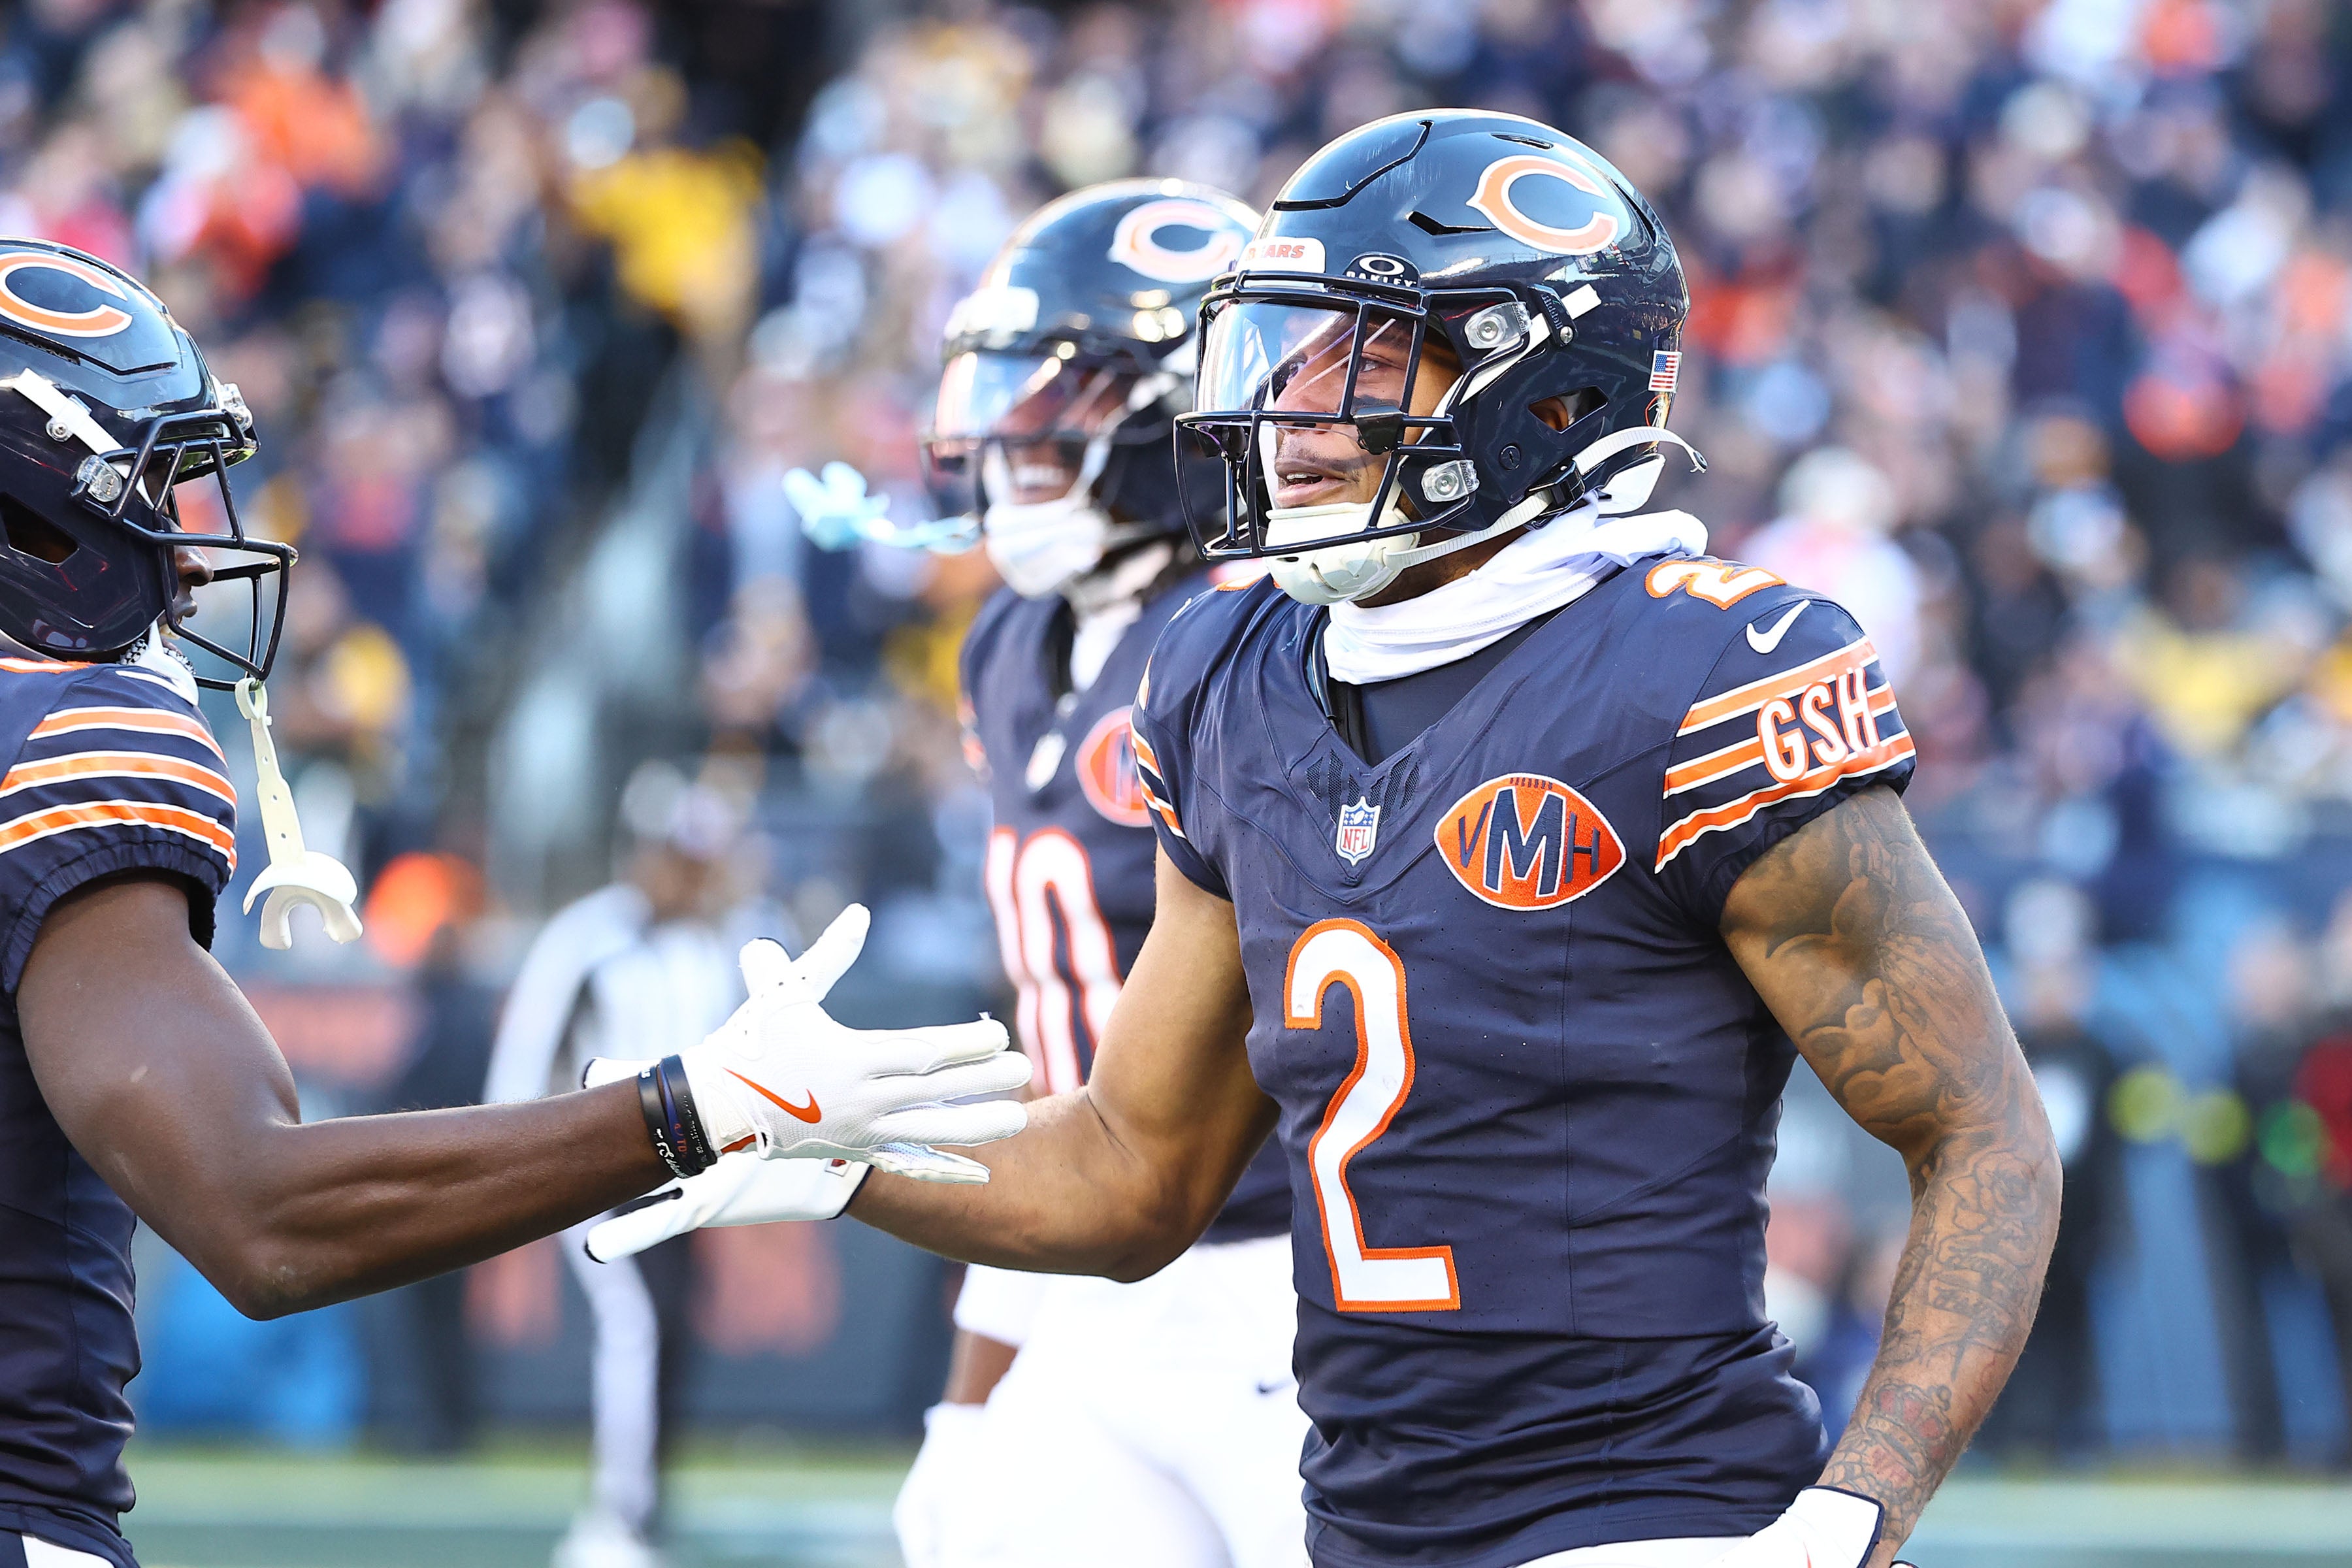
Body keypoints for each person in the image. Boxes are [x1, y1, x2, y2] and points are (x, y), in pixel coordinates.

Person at [620, 112, 2060, 1568]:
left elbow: (1984, 1132)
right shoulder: (1232, 669)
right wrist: (847, 1147)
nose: (1291, 407)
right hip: (1353, 1516)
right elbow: (1133, 1170)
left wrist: (1853, 1517)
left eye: (1359, 354)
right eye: (1285, 349)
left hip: (1640, 1516)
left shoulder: (1702, 676)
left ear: (1542, 396)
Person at [0, 239, 1029, 1568]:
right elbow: (260, 1215)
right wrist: (697, 1107)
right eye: (151, 490)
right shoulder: (62, 737)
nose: (190, 556)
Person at [597, 180, 1308, 1568]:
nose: (1016, 438)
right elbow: (1060, 1056)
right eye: (1010, 395)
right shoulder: (1011, 642)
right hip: (1097, 1257)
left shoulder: (1259, 642)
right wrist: (972, 1391)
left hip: (1289, 1271)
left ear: (1190, 412)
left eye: (1067, 400)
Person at [485, 764, 776, 1568]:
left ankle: (645, 1503)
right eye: (679, 859)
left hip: (689, 1175)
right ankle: (619, 1518)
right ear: (641, 856)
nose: (692, 877)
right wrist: (527, 1171)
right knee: (636, 1326)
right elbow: (523, 1065)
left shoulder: (724, 939)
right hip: (597, 1172)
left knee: (673, 1331)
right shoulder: (588, 938)